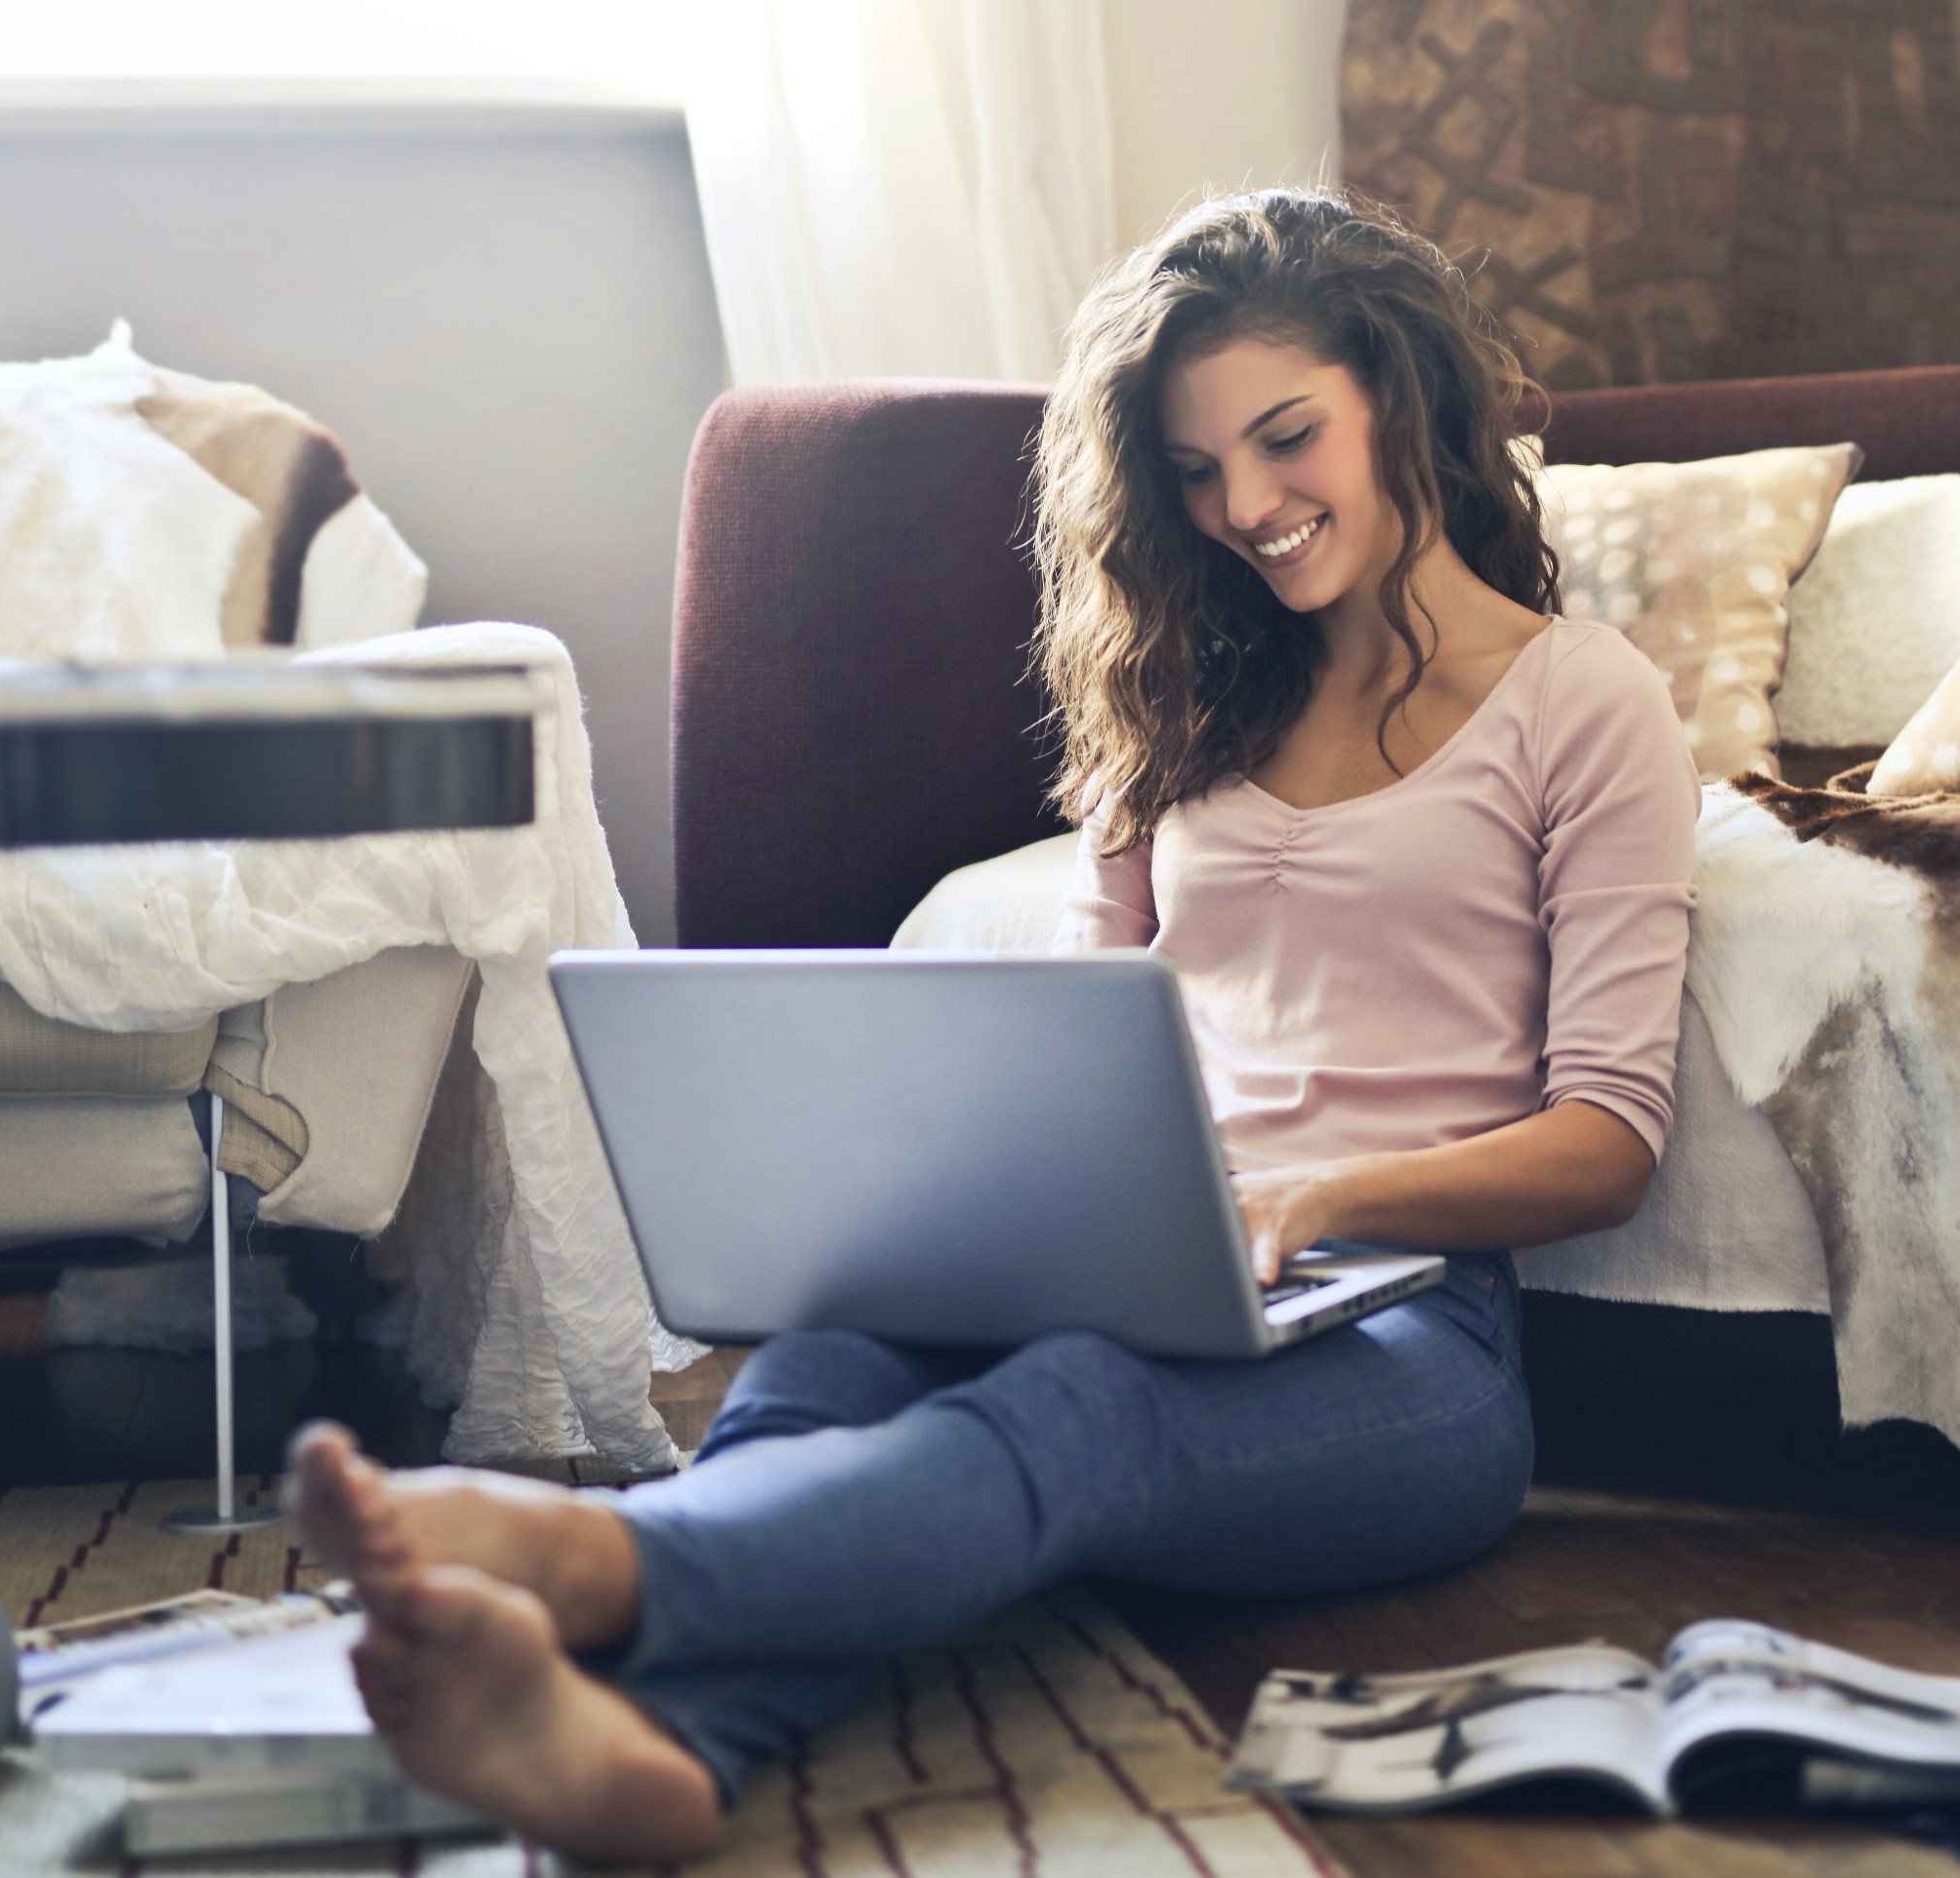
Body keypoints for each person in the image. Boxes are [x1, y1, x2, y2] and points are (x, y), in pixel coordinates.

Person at [285, 188, 1698, 1861]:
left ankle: (608, 1565)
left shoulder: (1581, 700)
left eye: (1284, 436)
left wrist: (1304, 1206)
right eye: (1193, 470)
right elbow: (1075, 1043)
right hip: (1135, 1260)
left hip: (1409, 1346)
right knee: (826, 1362)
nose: (1244, 506)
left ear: (1399, 393)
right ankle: (663, 1756)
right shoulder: (1184, 703)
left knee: (1068, 1414)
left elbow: (1606, 1137)